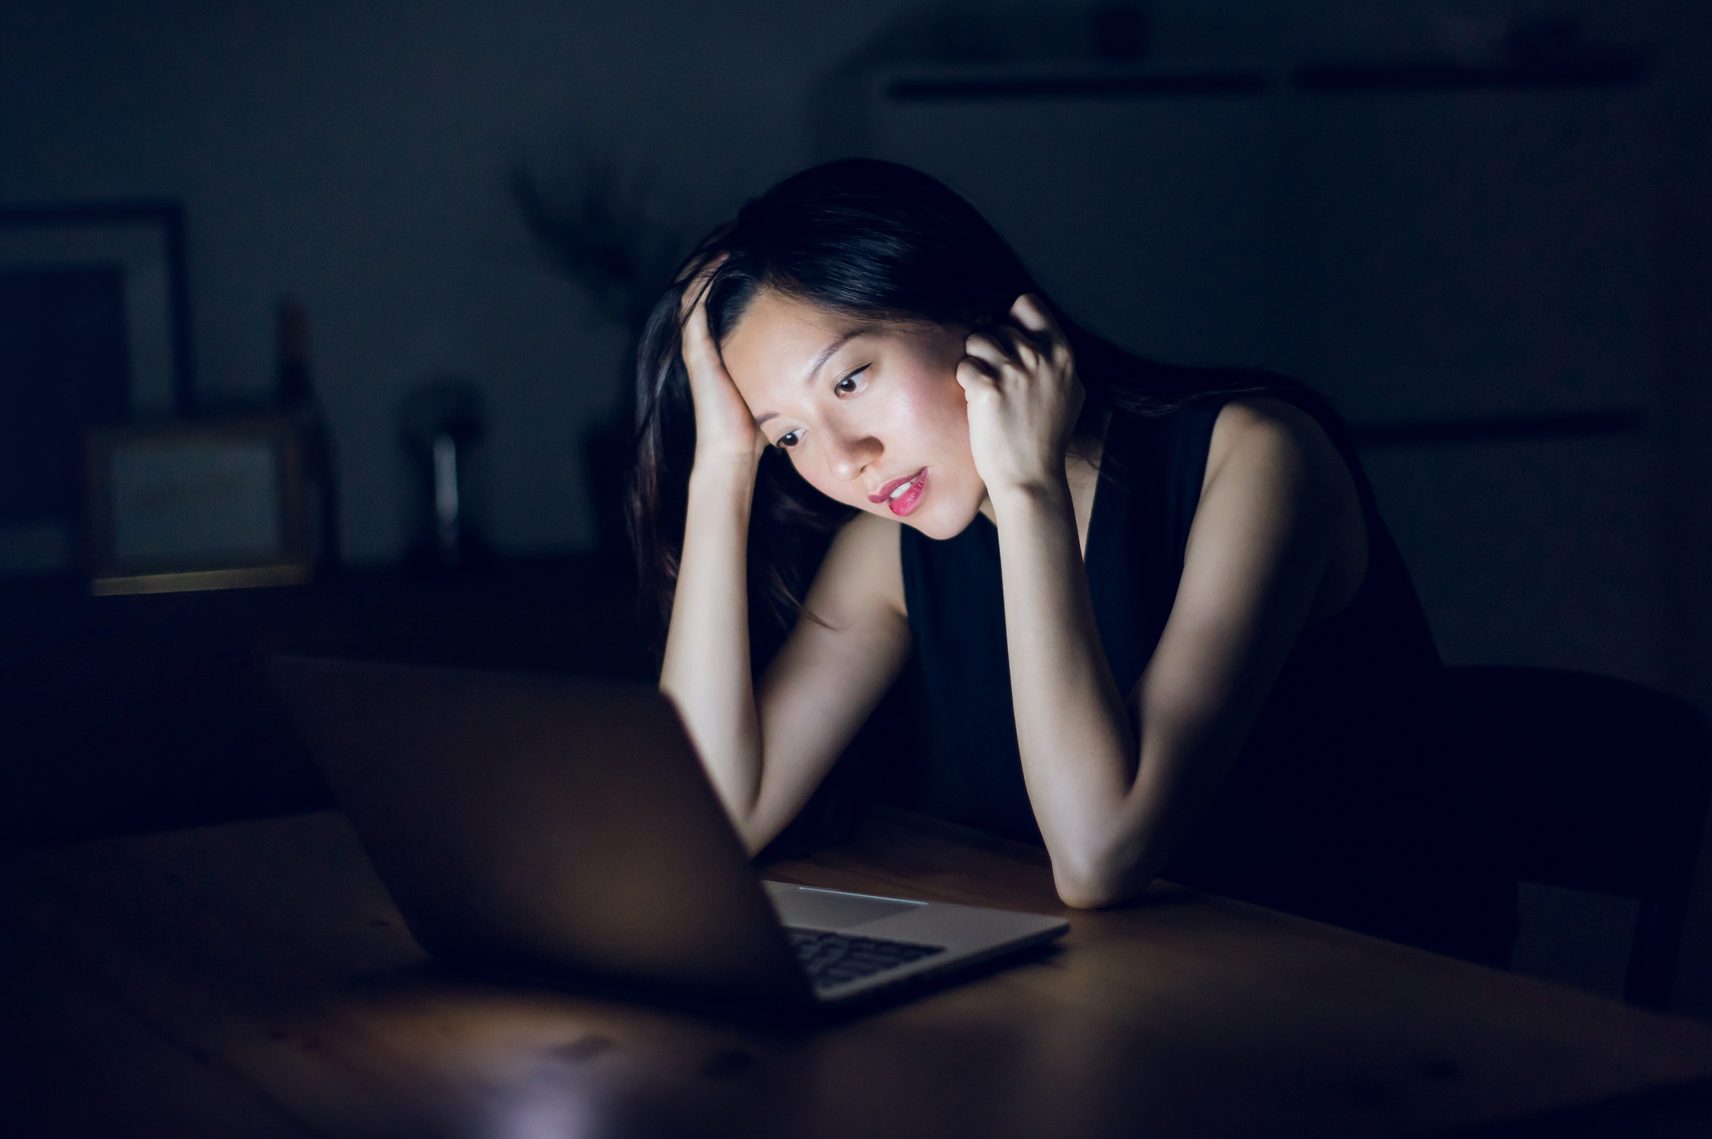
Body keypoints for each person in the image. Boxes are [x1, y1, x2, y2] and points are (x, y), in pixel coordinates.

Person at [627, 158, 1515, 966]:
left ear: (968, 306)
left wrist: (1028, 488)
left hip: (1380, 1007)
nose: (845, 459)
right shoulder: (889, 551)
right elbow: (709, 825)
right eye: (788, 436)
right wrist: (723, 466)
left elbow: (1101, 855)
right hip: (1144, 997)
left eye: (850, 380)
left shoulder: (1259, 458)